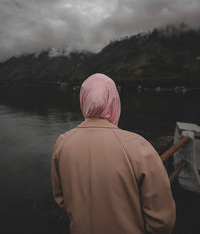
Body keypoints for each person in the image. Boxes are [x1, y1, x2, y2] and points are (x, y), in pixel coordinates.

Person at [51, 73, 176, 234]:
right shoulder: (138, 146)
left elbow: (61, 200)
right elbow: (162, 221)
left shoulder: (62, 143)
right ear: (114, 101)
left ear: (83, 100)